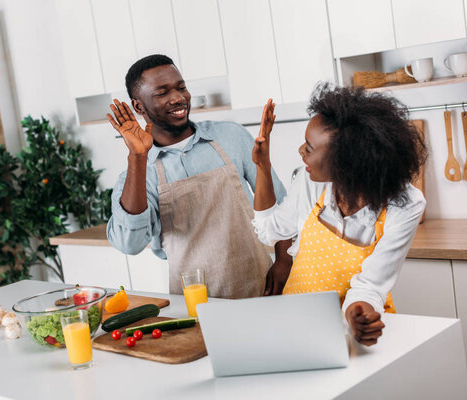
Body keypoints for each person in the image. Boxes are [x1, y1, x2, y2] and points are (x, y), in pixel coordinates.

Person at [252, 84, 426, 345]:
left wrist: (359, 318)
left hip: (350, 334)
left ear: (346, 161)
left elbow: (370, 286)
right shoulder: (309, 181)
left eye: (309, 148)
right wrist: (262, 167)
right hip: (296, 325)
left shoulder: (406, 204)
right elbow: (270, 230)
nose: (301, 151)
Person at [105, 54, 291, 299]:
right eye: (162, 93)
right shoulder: (140, 172)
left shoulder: (230, 136)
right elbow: (130, 244)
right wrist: (138, 157)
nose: (178, 98)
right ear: (139, 106)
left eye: (181, 87)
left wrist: (284, 261)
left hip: (259, 285)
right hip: (193, 303)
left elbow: (281, 205)